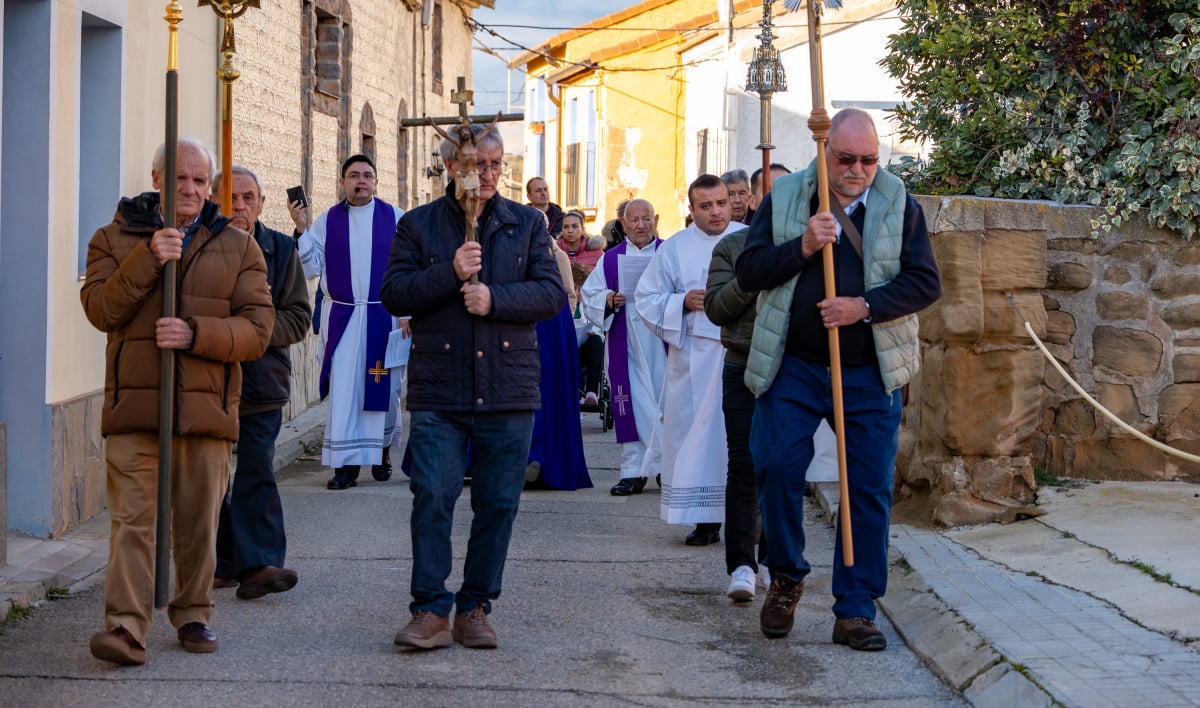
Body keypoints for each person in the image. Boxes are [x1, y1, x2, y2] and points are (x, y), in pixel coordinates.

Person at [735, 108, 941, 649]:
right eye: (846, 159)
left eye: (868, 160)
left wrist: (863, 307)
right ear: (825, 153)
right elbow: (749, 272)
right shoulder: (786, 197)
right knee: (776, 467)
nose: (857, 170)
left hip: (870, 372)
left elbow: (925, 282)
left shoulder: (899, 202)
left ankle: (855, 609)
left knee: (867, 488)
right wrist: (803, 247)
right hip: (793, 366)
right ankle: (786, 576)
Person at [80, 138, 273, 665]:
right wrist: (148, 258)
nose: (189, 189)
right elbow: (100, 309)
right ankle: (125, 628)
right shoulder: (113, 238)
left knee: (197, 524)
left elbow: (258, 330)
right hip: (135, 411)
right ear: (157, 179)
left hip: (205, 412)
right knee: (132, 523)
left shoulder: (239, 246)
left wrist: (195, 333)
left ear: (209, 187)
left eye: (199, 181)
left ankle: (193, 612)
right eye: (179, 178)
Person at [381, 124, 565, 650]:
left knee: (498, 502)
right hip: (440, 386)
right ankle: (429, 609)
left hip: (507, 385)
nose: (485, 174)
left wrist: (494, 299)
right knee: (432, 496)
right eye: (473, 164)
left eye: (493, 164)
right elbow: (395, 293)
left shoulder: (526, 223)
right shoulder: (418, 225)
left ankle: (476, 605)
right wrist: (450, 273)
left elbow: (551, 293)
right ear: (449, 167)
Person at [211, 166, 311, 599]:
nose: (239, 206)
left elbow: (299, 318)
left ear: (262, 204)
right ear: (215, 201)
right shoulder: (199, 247)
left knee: (256, 472)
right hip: (206, 384)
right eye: (230, 197)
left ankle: (259, 565)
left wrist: (250, 332)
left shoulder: (282, 250)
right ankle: (222, 562)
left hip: (262, 383)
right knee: (210, 478)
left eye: (248, 197)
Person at [635, 175, 745, 546]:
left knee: (741, 437)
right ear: (691, 209)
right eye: (705, 205)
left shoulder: (751, 239)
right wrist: (681, 301)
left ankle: (750, 519)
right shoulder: (675, 248)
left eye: (721, 203)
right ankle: (704, 517)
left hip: (743, 352)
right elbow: (646, 298)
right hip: (695, 357)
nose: (716, 211)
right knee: (699, 438)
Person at [297, 155, 407, 491]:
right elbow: (310, 268)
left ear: (376, 182)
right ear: (343, 181)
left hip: (384, 316)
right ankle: (346, 466)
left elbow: (409, 267)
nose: (361, 181)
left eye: (367, 175)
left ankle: (381, 451)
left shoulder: (396, 218)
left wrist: (408, 312)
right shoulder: (327, 220)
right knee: (345, 391)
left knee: (386, 389)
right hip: (343, 317)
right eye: (354, 175)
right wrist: (301, 229)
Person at [580, 199, 667, 495]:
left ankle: (667, 468)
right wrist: (608, 299)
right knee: (630, 403)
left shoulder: (669, 253)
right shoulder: (610, 259)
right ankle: (633, 472)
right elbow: (590, 294)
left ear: (655, 220)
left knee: (665, 403)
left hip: (663, 342)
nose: (641, 225)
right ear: (624, 224)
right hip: (626, 342)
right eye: (635, 220)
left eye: (646, 219)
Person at [703, 219, 765, 601]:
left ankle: (775, 557)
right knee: (743, 463)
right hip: (742, 363)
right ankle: (742, 564)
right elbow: (716, 308)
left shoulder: (810, 241)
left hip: (793, 366)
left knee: (783, 464)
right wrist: (753, 274)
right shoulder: (732, 247)